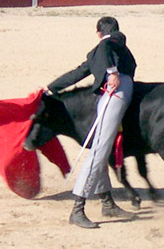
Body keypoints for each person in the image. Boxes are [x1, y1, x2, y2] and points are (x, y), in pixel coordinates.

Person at [45, 16, 137, 229]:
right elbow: (106, 44)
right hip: (117, 92)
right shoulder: (113, 41)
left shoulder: (96, 53)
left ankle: (107, 203)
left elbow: (78, 73)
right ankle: (77, 209)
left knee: (100, 149)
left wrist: (51, 88)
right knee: (99, 150)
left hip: (108, 94)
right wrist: (113, 72)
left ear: (97, 32)